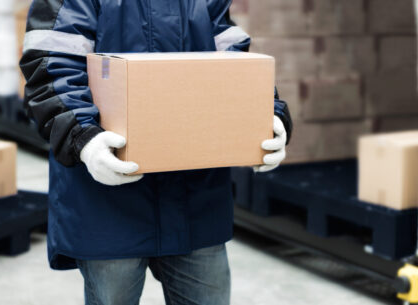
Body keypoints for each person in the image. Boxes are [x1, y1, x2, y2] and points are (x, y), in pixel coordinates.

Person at [20, 1, 292, 304]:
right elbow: (52, 67)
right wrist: (83, 139)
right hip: (108, 202)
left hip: (195, 201)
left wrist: (265, 115)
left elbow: (234, 63)